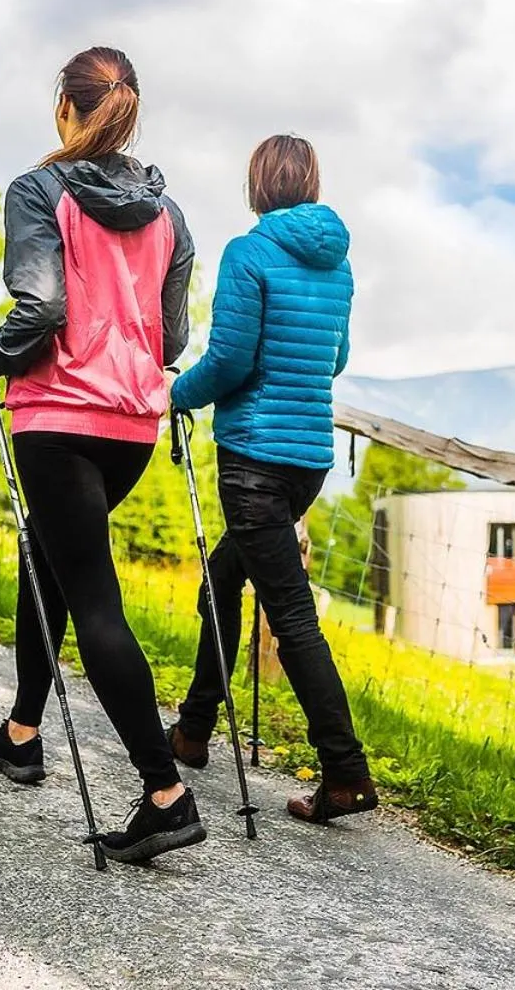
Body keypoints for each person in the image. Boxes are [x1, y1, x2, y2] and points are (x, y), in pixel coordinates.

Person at [0, 46, 205, 865]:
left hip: (59, 418)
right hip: (130, 424)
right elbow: (171, 337)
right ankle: (23, 731)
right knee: (52, 554)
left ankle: (164, 793)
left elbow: (42, 305)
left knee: (94, 600)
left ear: (67, 109)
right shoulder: (169, 216)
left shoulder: (38, 189)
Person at [165, 134, 376, 823]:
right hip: (307, 459)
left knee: (291, 618)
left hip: (253, 458)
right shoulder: (338, 265)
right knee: (223, 580)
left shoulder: (248, 253)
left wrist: (175, 394)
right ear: (311, 182)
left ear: (258, 183)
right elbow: (336, 359)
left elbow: (228, 361)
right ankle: (194, 730)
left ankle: (346, 772)